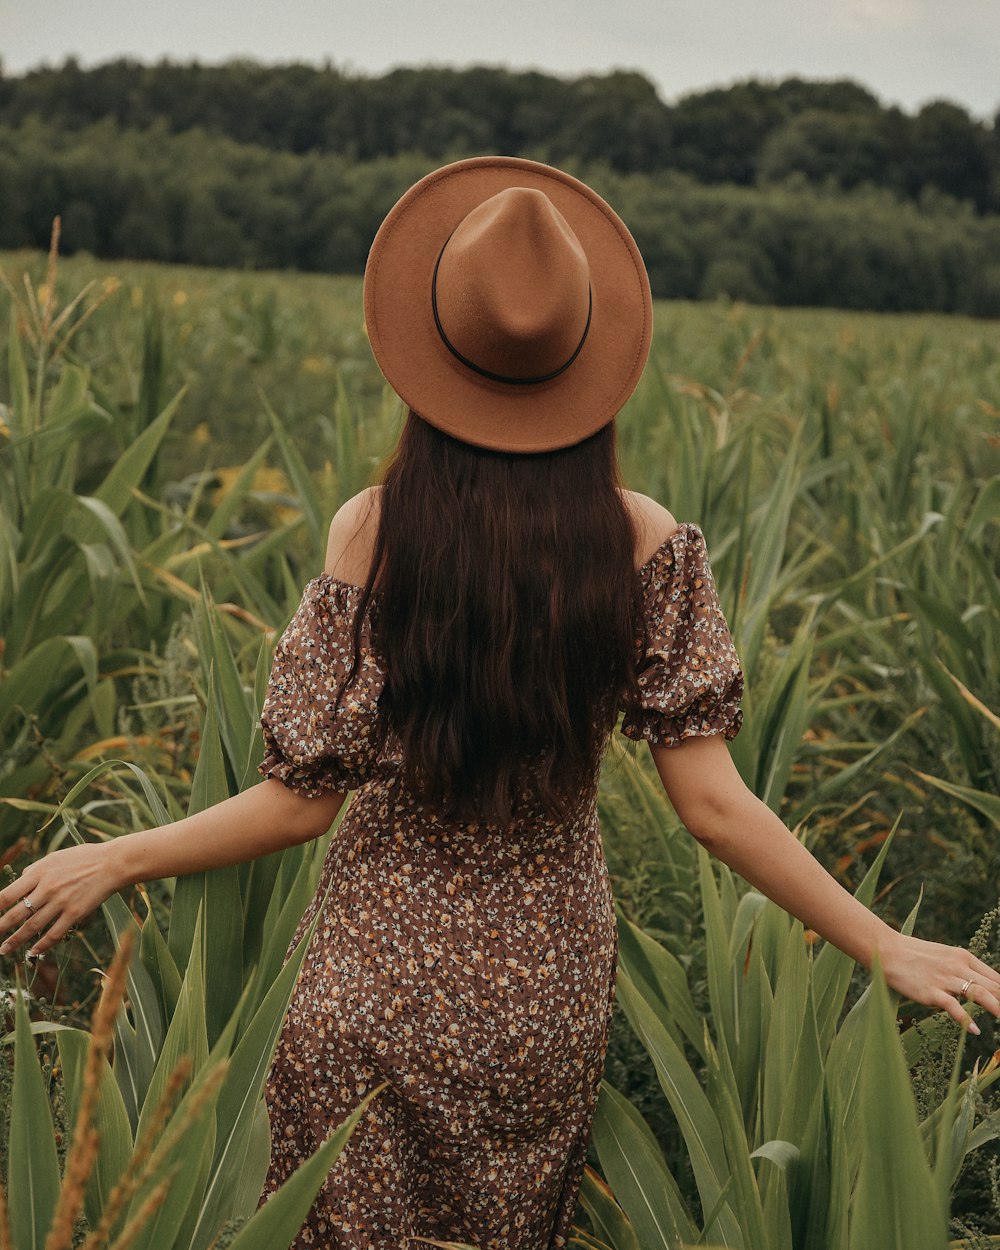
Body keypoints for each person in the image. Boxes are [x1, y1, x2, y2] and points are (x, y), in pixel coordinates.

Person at [1, 157, 998, 1250]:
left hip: (367, 987)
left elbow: (295, 804)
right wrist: (880, 938)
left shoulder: (371, 531)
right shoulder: (644, 543)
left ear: (430, 360)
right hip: (542, 1000)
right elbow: (716, 808)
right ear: (585, 361)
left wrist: (116, 854)